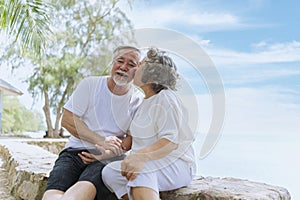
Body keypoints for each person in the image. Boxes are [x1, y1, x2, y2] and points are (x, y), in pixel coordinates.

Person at [42, 46, 142, 200]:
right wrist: (101, 141)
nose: (123, 67)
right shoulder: (90, 84)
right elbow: (68, 119)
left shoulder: (137, 100)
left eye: (131, 64)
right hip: (73, 152)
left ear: (137, 70)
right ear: (112, 63)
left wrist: (106, 153)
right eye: (120, 61)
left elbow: (131, 138)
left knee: (84, 188)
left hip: (107, 159)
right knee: (53, 192)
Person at [102, 48, 196, 200]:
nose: (135, 67)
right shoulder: (144, 102)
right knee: (110, 172)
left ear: (152, 73)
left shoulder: (166, 98)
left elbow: (170, 142)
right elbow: (132, 140)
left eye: (141, 64)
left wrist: (140, 157)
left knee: (141, 170)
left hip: (177, 165)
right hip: (151, 163)